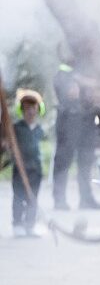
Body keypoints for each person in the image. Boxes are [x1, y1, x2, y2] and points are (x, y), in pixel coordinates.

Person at [51, 87, 100, 211]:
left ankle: (86, 199)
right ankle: (59, 199)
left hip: (86, 119)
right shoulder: (68, 72)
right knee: (62, 164)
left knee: (85, 164)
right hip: (68, 116)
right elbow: (63, 86)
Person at [7, 89, 42, 234]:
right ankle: (17, 224)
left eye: (33, 108)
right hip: (20, 169)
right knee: (19, 196)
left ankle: (30, 225)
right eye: (27, 108)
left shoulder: (39, 129)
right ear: (22, 110)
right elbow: (7, 142)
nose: (30, 112)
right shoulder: (15, 128)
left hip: (35, 169)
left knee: (32, 198)